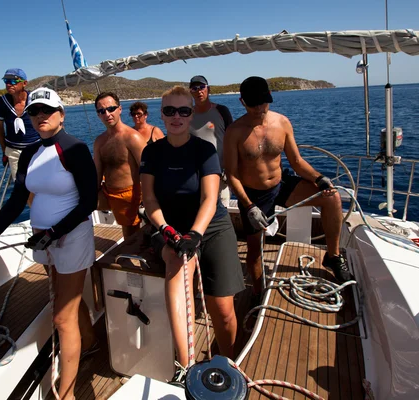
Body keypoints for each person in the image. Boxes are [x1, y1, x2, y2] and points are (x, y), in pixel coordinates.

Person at [0, 87, 98, 400]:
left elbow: (88, 202)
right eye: (35, 112)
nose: (40, 117)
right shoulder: (28, 153)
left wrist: (54, 232)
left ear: (61, 116)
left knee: (62, 317)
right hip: (45, 240)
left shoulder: (75, 149)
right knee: (68, 303)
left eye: (47, 111)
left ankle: (66, 394)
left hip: (71, 237)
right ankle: (89, 340)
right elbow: (14, 202)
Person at [140, 86, 245, 387]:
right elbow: (149, 200)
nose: (176, 116)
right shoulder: (152, 152)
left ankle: (228, 362)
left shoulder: (204, 150)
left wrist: (196, 234)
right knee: (176, 265)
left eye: (183, 111)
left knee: (222, 311)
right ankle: (186, 369)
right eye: (169, 111)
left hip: (210, 226)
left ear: (191, 113)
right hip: (169, 227)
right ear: (161, 114)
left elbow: (210, 199)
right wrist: (169, 231)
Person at [224, 76, 351, 301]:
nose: (260, 108)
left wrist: (319, 178)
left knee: (331, 198)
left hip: (281, 185)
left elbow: (297, 162)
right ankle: (257, 294)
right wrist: (249, 206)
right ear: (242, 101)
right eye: (254, 104)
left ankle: (333, 256)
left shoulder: (282, 122)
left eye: (264, 102)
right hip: (253, 196)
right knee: (254, 252)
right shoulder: (234, 132)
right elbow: (232, 175)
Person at [93, 92, 147, 239]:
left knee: (130, 238)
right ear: (98, 114)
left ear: (120, 109)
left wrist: (147, 199)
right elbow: (97, 173)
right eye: (102, 111)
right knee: (76, 204)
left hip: (129, 196)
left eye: (111, 108)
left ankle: (130, 257)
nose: (107, 113)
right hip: (107, 192)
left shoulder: (132, 137)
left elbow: (148, 171)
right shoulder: (99, 141)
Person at [189, 75, 234, 208]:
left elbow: (231, 140)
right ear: (190, 92)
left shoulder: (221, 111)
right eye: (194, 88)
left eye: (202, 87)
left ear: (208, 89)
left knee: (222, 211)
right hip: (195, 176)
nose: (199, 91)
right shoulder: (186, 114)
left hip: (221, 174)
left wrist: (230, 169)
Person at [0, 68, 40, 180]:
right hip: (14, 151)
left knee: (40, 182)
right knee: (20, 185)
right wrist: (4, 151)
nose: (9, 84)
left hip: (37, 149)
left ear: (24, 83)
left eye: (13, 81)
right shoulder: (1, 103)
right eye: (6, 81)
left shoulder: (34, 101)